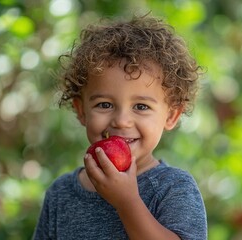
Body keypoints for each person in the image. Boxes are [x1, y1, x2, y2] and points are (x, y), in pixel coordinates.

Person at [34, 14, 207, 240]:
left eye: (141, 106)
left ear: (171, 115)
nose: (121, 120)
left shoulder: (172, 188)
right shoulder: (61, 193)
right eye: (104, 104)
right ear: (81, 111)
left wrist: (127, 202)